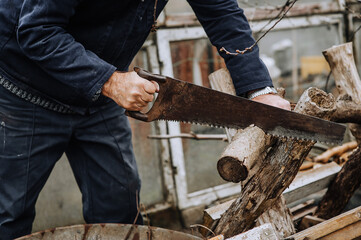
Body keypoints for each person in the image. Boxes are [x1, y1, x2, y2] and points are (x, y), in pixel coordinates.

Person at [0, 0, 290, 238]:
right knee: (9, 213)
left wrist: (259, 90)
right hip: (26, 89)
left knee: (119, 208)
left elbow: (221, 11)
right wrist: (110, 81)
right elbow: (37, 30)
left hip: (99, 97)